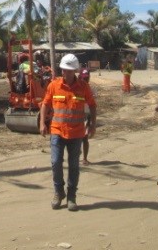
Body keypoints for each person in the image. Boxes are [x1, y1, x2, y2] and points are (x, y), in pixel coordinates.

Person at [40, 53, 97, 211]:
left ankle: (71, 196)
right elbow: (45, 104)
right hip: (57, 131)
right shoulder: (54, 85)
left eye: (70, 70)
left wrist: (92, 125)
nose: (66, 73)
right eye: (64, 70)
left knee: (73, 166)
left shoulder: (83, 87)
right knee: (56, 162)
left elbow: (92, 105)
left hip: (76, 133)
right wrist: (41, 123)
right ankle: (59, 192)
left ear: (76, 71)